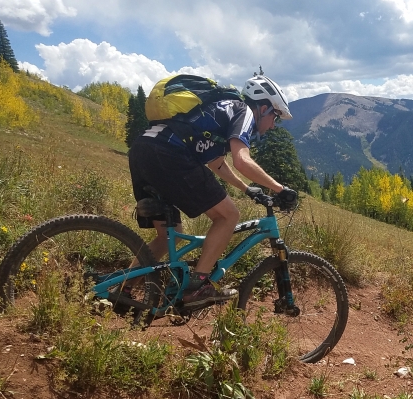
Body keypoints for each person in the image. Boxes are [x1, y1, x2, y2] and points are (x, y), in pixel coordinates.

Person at [128, 74, 298, 309]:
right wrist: (281, 189)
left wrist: (248, 189)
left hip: (143, 150)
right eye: (275, 117)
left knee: (168, 236)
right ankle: (197, 287)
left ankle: (122, 289)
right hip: (170, 154)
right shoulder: (244, 111)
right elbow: (241, 160)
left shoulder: (216, 109)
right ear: (263, 107)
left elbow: (217, 163)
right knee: (228, 216)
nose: (272, 125)